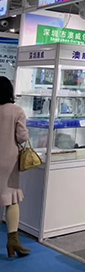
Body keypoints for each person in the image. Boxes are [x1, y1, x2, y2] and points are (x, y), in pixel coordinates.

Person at [0, 76, 31, 258]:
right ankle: (13, 241)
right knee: (12, 199)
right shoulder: (16, 111)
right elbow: (22, 137)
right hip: (8, 161)